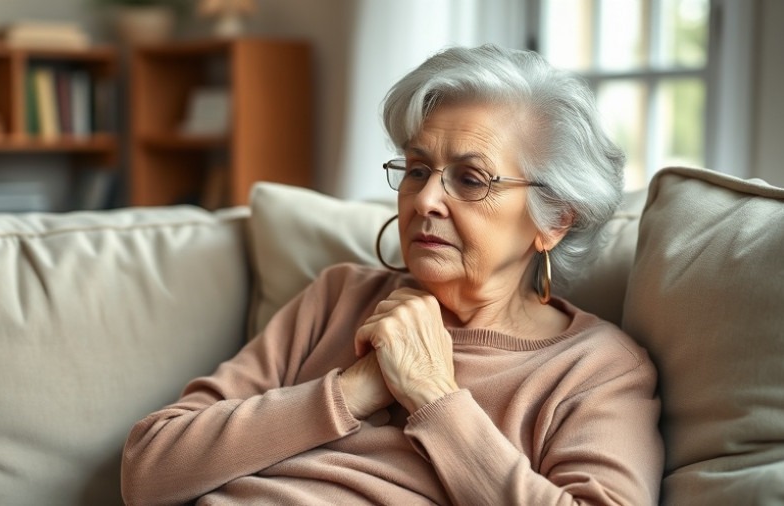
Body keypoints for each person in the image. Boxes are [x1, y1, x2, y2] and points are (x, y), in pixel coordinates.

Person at [121, 43, 663, 505]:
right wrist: (351, 391)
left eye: (470, 180)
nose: (425, 199)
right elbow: (148, 468)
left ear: (555, 219)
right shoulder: (339, 297)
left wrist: (431, 394)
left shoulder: (597, 370)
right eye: (417, 169)